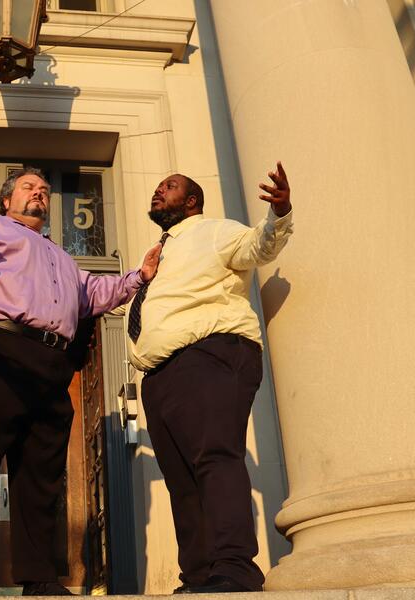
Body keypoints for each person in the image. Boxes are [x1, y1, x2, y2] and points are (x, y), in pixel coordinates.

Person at [0, 167, 162, 596]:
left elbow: (95, 293)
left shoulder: (64, 258)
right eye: (28, 187)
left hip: (51, 363)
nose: (38, 193)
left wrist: (139, 278)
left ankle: (38, 578)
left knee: (41, 476)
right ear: (6, 200)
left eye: (44, 190)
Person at [130, 165, 294, 594]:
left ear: (191, 201)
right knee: (181, 479)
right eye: (157, 186)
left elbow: (257, 247)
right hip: (159, 370)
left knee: (214, 458)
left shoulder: (216, 230)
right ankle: (199, 575)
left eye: (169, 186)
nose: (158, 190)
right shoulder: (157, 255)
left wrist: (280, 213)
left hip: (208, 352)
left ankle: (235, 568)